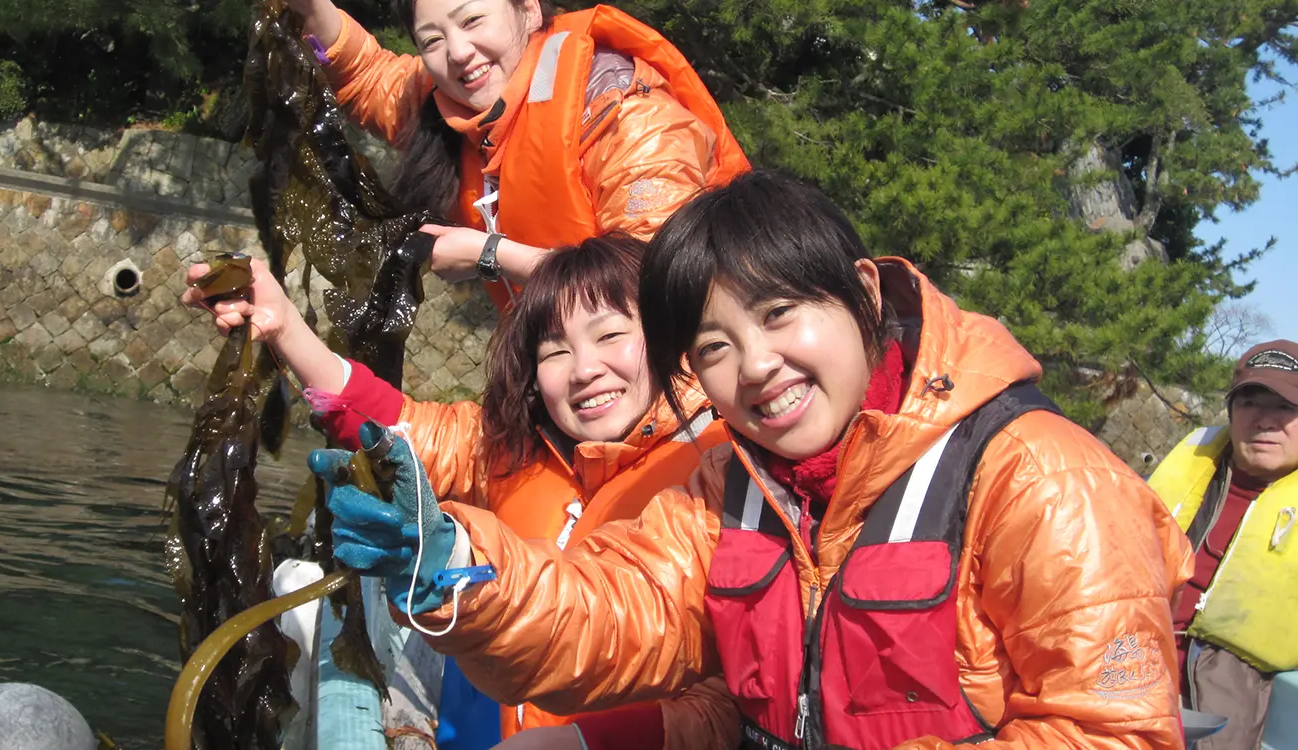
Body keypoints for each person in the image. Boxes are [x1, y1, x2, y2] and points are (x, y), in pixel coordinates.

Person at [309, 170, 1196, 749]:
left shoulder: (1040, 476)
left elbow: (1115, 733)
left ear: (863, 291)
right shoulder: (733, 480)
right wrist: (462, 568)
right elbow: (623, 614)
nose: (758, 367)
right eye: (714, 346)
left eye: (778, 315)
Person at [183, 235, 738, 749]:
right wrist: (283, 326)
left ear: (668, 336)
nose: (584, 370)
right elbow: (396, 426)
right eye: (553, 351)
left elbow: (724, 702)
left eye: (611, 334)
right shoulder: (517, 445)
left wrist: (583, 742)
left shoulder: (720, 470)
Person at [287, 0, 749, 308]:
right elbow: (367, 77)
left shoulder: (623, 109)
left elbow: (659, 284)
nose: (460, 52)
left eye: (472, 21)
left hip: (681, 385)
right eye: (432, 40)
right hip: (571, 377)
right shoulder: (455, 108)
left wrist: (490, 253)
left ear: (527, 10)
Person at [1147, 340, 1298, 750]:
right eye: (1250, 401)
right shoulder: (1194, 469)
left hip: (1228, 702)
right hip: (1129, 668)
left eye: (1285, 407)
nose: (1265, 420)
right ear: (1231, 412)